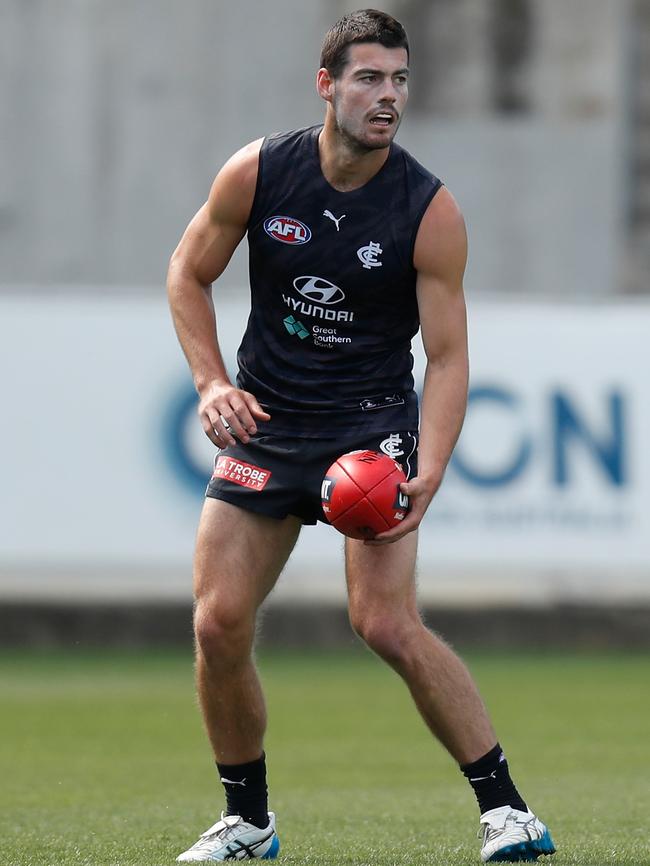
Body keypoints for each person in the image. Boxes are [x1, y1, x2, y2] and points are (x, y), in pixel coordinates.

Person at [167, 9, 555, 863]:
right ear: (328, 85)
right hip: (267, 423)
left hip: (369, 434)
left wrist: (435, 462)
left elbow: (448, 360)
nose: (389, 98)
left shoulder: (428, 208)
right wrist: (210, 381)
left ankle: (507, 811)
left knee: (383, 622)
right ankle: (248, 821)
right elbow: (187, 274)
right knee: (217, 622)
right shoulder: (260, 172)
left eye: (401, 81)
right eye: (371, 79)